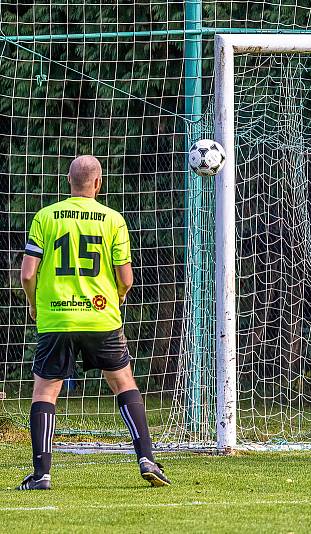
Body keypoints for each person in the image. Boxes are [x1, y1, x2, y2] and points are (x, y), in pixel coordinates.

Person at [18, 155, 170, 489]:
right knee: (123, 383)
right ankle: (146, 457)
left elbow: (28, 273)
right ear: (98, 183)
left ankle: (42, 474)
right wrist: (117, 296)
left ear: (68, 181)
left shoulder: (45, 217)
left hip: (56, 317)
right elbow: (126, 279)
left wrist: (33, 303)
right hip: (101, 316)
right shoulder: (113, 220)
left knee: (46, 389)